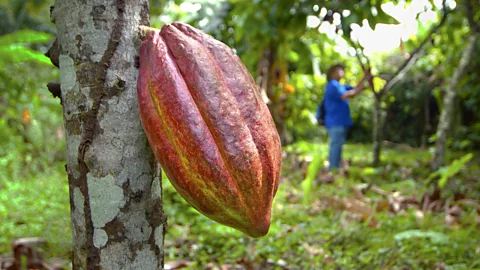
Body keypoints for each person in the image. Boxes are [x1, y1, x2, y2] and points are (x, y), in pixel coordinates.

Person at [323, 64, 371, 170]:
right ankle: (333, 168)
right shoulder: (332, 85)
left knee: (338, 145)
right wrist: (360, 89)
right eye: (338, 70)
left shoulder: (340, 86)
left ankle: (336, 166)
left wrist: (365, 77)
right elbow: (348, 95)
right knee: (336, 145)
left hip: (341, 121)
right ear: (332, 73)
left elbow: (354, 88)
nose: (341, 72)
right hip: (335, 121)